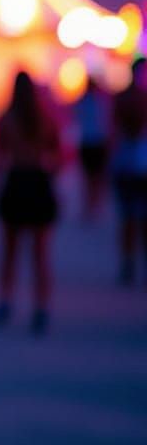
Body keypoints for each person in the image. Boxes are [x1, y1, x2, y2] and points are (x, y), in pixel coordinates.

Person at [0, 71, 62, 334]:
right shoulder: (46, 118)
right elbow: (58, 154)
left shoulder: (7, 119)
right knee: (40, 253)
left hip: (16, 181)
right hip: (39, 182)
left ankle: (5, 301)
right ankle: (41, 306)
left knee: (10, 251)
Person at [112, 57, 147, 285]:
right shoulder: (126, 98)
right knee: (129, 218)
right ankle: (128, 261)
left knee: (136, 218)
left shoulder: (125, 98)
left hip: (133, 163)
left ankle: (132, 262)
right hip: (129, 164)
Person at [74, 76, 109, 219]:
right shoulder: (100, 101)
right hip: (95, 142)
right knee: (94, 177)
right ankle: (93, 206)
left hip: (89, 142)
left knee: (90, 177)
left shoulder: (83, 101)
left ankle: (91, 206)